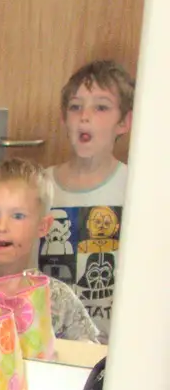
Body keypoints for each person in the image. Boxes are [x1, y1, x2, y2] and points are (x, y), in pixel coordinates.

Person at [0, 160, 100, 343]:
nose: (1, 226)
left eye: (17, 216)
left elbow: (91, 360)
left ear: (43, 226)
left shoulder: (59, 300)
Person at [38, 58, 133, 339]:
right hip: (51, 340)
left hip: (114, 346)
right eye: (76, 107)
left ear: (124, 122)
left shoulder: (134, 188)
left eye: (101, 107)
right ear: (63, 118)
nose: (85, 116)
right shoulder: (40, 186)